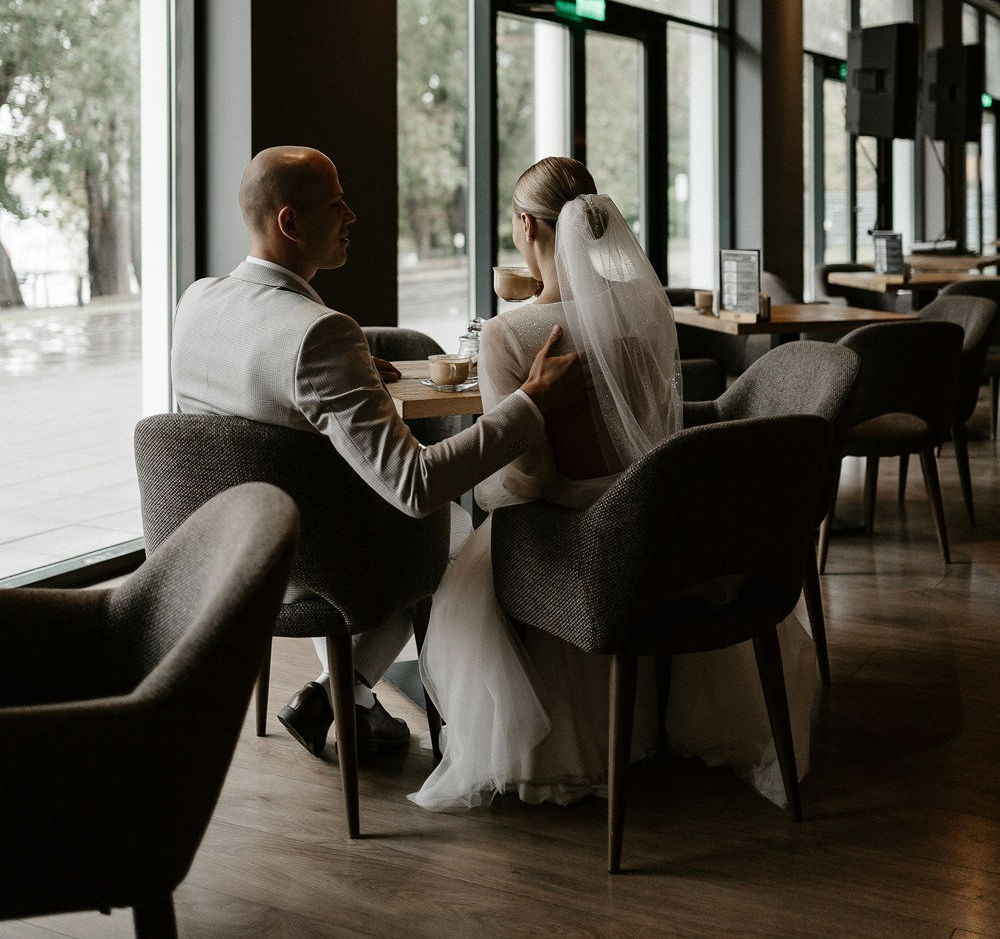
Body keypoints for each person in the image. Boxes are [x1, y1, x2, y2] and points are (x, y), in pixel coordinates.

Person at [409, 156, 817, 813]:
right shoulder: (640, 308)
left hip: (570, 546)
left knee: (469, 553)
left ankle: (554, 747)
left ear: (526, 228)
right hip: (653, 526)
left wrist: (480, 495)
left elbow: (529, 478)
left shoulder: (508, 334)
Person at [170, 145, 582, 761]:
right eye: (336, 204)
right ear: (290, 223)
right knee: (463, 534)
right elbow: (414, 485)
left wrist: (353, 368)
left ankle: (347, 703)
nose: (352, 215)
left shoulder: (198, 301)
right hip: (315, 567)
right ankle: (343, 693)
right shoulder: (319, 334)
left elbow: (261, 376)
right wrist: (529, 402)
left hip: (222, 550)